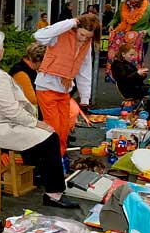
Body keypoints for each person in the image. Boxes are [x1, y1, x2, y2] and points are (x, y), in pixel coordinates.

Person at [0, 29, 79, 208]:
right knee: (50, 137)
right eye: (3, 46)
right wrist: (37, 123)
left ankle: (41, 175)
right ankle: (54, 194)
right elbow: (12, 111)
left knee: (40, 136)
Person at [34, 13, 100, 157]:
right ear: (76, 28)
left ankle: (59, 161)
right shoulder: (59, 35)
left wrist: (84, 98)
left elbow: (84, 69)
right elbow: (39, 36)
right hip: (46, 87)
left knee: (64, 129)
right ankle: (52, 162)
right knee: (54, 129)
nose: (84, 39)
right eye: (82, 34)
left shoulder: (86, 44)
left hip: (64, 90)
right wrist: (71, 22)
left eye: (88, 37)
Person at [106, 0, 150, 79]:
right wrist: (111, 25)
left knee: (134, 63)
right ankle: (120, 81)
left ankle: (135, 85)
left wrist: (147, 31)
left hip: (140, 41)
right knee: (120, 62)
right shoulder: (122, 5)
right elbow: (116, 18)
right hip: (122, 39)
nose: (133, 0)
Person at [111, 44, 150, 128]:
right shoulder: (117, 65)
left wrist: (142, 75)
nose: (133, 57)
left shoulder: (129, 63)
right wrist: (137, 73)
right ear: (123, 54)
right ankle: (149, 116)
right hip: (128, 89)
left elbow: (136, 79)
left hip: (136, 86)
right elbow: (124, 80)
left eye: (134, 55)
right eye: (131, 55)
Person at [8, 42, 46, 120]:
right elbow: (32, 100)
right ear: (39, 60)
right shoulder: (21, 73)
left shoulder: (31, 70)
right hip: (23, 115)